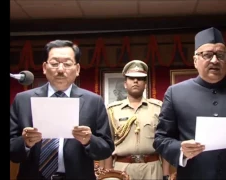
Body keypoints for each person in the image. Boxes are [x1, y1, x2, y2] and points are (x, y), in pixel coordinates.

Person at [153, 27, 226, 179]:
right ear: (195, 60)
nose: (215, 60)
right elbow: (161, 139)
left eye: (221, 55)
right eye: (207, 55)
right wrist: (180, 149)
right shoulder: (176, 93)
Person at [10, 40, 115, 180]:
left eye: (67, 64)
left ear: (77, 69)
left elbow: (106, 149)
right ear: (44, 67)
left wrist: (89, 140)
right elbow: (11, 149)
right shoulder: (22, 100)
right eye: (54, 64)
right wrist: (24, 143)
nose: (60, 69)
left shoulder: (94, 101)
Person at [100, 60, 171, 180]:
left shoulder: (158, 108)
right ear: (125, 84)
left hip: (152, 168)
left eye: (140, 78)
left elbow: (165, 144)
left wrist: (166, 174)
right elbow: (107, 145)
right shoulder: (112, 110)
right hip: (122, 168)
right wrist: (109, 174)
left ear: (145, 84)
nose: (136, 81)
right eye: (131, 78)